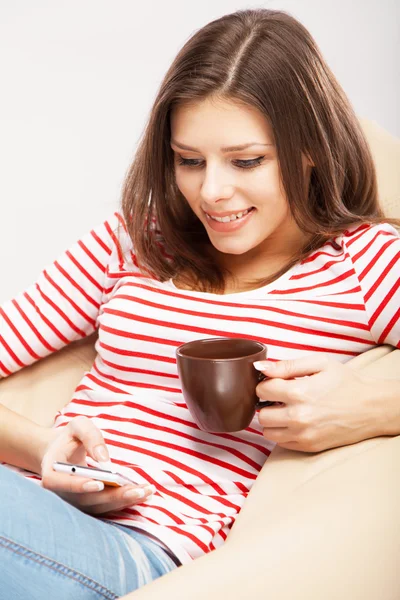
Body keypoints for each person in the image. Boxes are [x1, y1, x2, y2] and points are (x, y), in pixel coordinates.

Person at [0, 7, 399, 600]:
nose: (211, 192)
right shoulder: (138, 239)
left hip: (143, 554)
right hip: (31, 510)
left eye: (247, 161)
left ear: (311, 149)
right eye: (189, 160)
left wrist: (373, 405)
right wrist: (45, 448)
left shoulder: (365, 262)